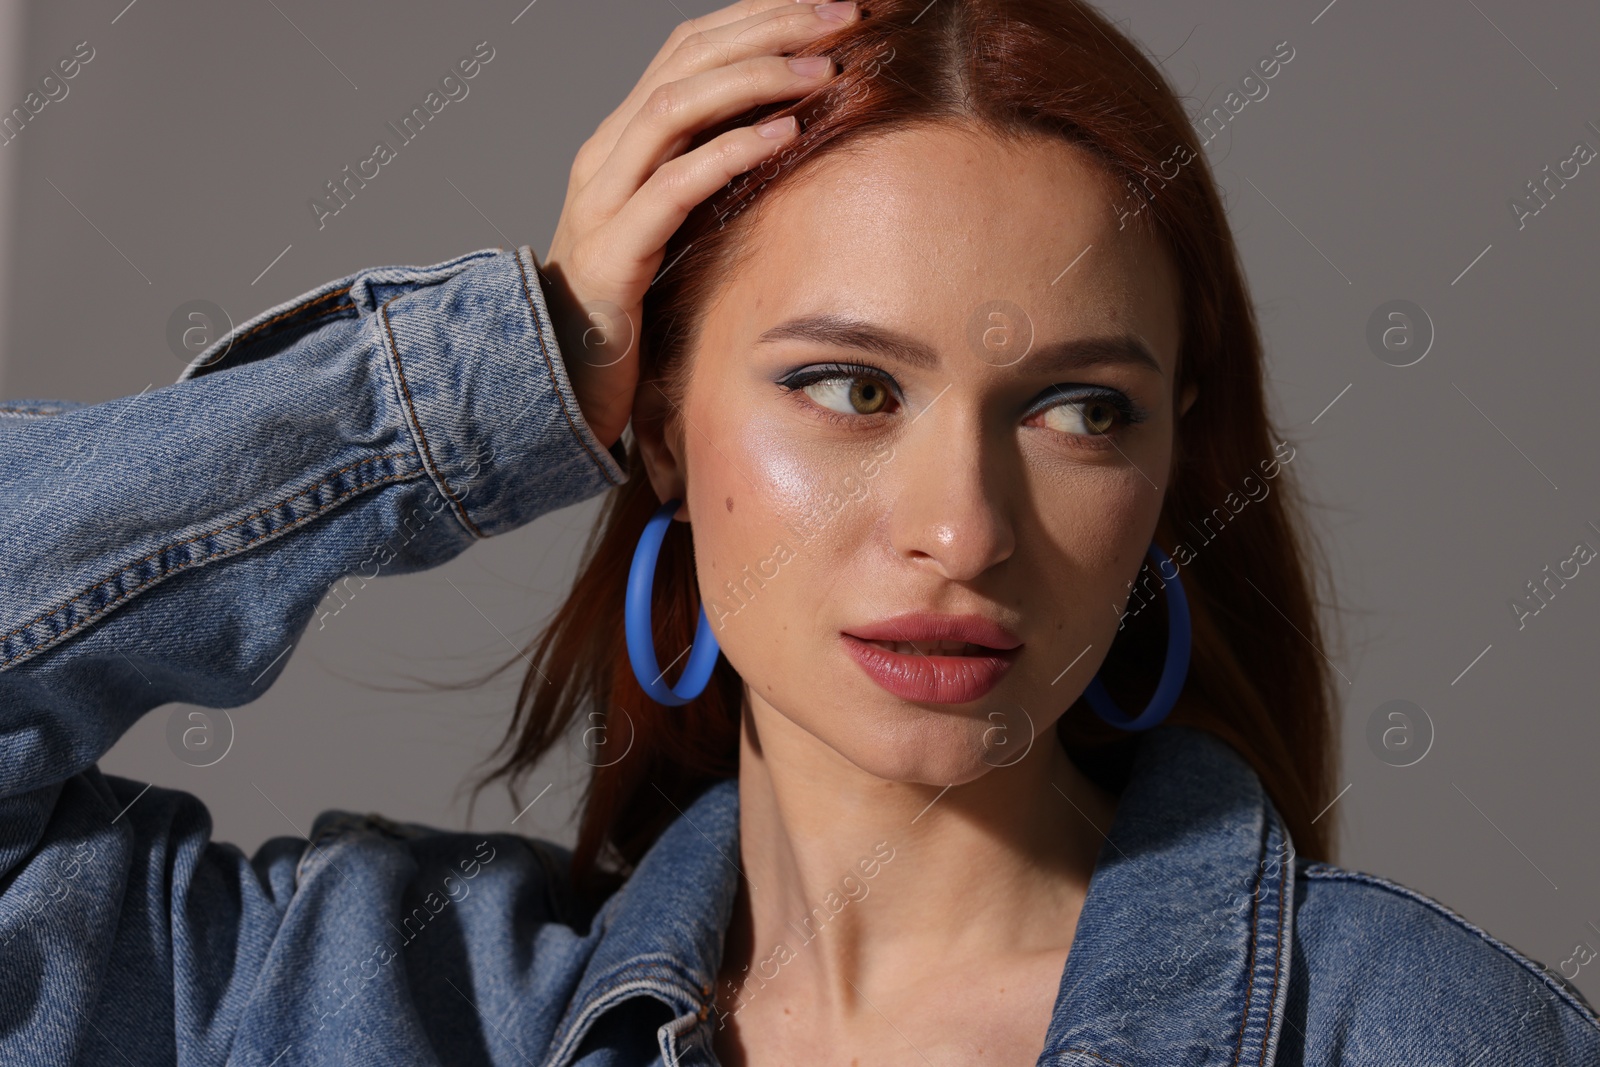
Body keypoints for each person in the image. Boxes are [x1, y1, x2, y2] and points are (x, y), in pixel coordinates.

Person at [0, 0, 1595, 1064]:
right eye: (846, 385)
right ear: (661, 430)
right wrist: (491, 379)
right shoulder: (372, 999)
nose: (963, 528)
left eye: (1079, 408)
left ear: (1178, 464)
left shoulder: (1408, 1030)